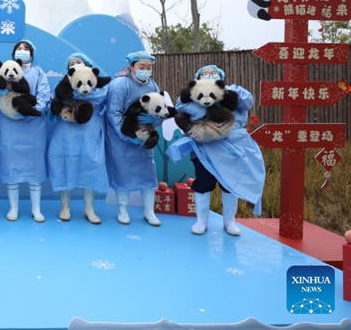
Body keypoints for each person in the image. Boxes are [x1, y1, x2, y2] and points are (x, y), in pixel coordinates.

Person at [166, 65, 266, 236]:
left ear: (220, 77)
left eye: (213, 74)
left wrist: (223, 93)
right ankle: (201, 221)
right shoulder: (192, 93)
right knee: (203, 183)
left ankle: (229, 221)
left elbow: (247, 102)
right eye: (205, 75)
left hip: (232, 145)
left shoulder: (233, 90)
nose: (209, 76)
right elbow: (183, 107)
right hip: (204, 147)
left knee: (230, 184)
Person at [0, 40, 50, 222]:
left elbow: (44, 96)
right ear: (13, 53)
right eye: (19, 49)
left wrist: (29, 111)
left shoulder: (38, 73)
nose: (22, 52)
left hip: (33, 125)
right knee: (10, 164)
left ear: (32, 54)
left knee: (34, 166)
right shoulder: (6, 69)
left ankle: (36, 209)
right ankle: (13, 208)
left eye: (26, 49)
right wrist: (3, 91)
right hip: (8, 125)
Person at [47, 53, 110, 224]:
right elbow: (55, 101)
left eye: (78, 62)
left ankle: (89, 209)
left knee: (90, 165)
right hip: (66, 133)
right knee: (64, 165)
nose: (75, 64)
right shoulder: (62, 85)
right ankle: (65, 207)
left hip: (89, 132)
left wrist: (77, 94)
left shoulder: (98, 86)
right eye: (71, 63)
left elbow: (99, 96)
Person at [104, 50, 162, 226]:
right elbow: (113, 113)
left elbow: (159, 108)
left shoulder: (152, 85)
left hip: (145, 139)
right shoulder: (120, 84)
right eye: (141, 67)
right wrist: (128, 135)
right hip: (122, 140)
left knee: (148, 176)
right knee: (123, 175)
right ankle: (122, 210)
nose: (145, 70)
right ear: (132, 67)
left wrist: (154, 121)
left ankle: (149, 212)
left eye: (148, 67)